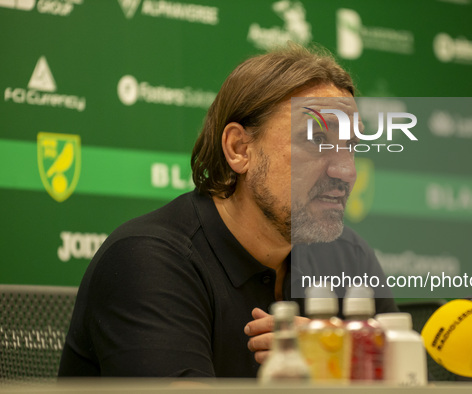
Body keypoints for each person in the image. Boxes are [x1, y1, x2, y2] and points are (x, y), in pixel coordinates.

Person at [58, 44, 397, 378]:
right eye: (316, 140)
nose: (346, 171)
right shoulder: (148, 261)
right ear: (239, 149)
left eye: (351, 146)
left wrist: (340, 362)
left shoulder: (349, 258)